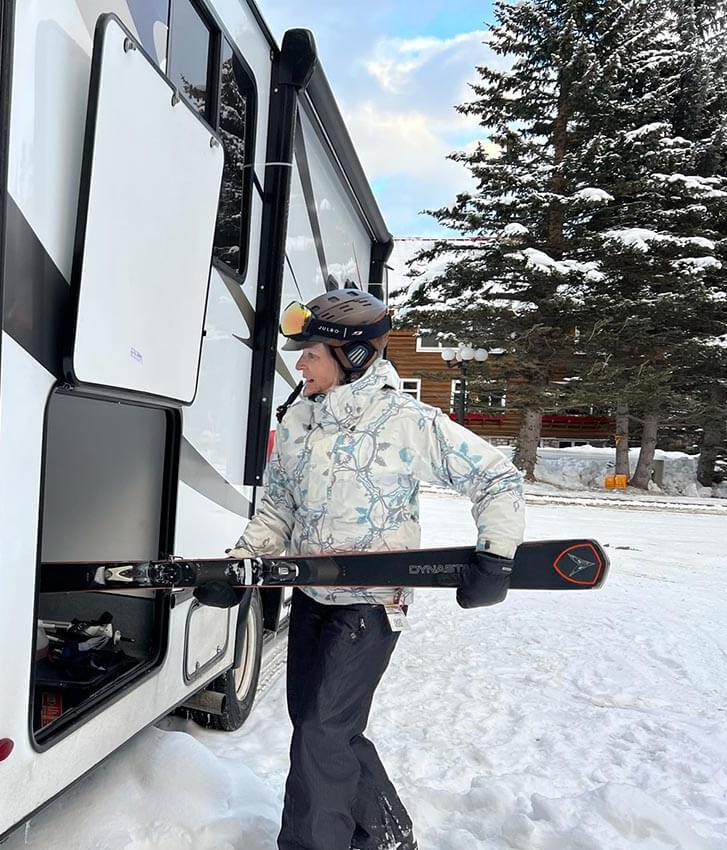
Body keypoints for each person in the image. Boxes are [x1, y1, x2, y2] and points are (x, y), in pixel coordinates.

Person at [211, 289, 525, 850]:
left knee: (320, 733)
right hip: (310, 595)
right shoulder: (300, 421)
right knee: (322, 728)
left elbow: (497, 477)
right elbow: (279, 506)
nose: (299, 362)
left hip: (372, 603)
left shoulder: (406, 422)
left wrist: (496, 556)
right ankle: (385, 831)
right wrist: (242, 563)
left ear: (352, 356)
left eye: (312, 351)